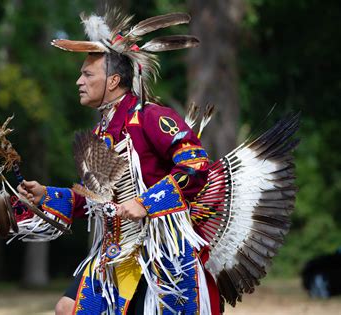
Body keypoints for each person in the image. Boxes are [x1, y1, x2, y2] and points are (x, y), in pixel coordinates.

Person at [16, 10, 221, 315]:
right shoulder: (101, 133)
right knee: (67, 309)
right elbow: (95, 203)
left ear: (113, 80)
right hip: (115, 254)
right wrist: (47, 195)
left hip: (158, 255)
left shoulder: (150, 117)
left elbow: (196, 166)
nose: (78, 81)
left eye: (87, 75)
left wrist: (146, 203)